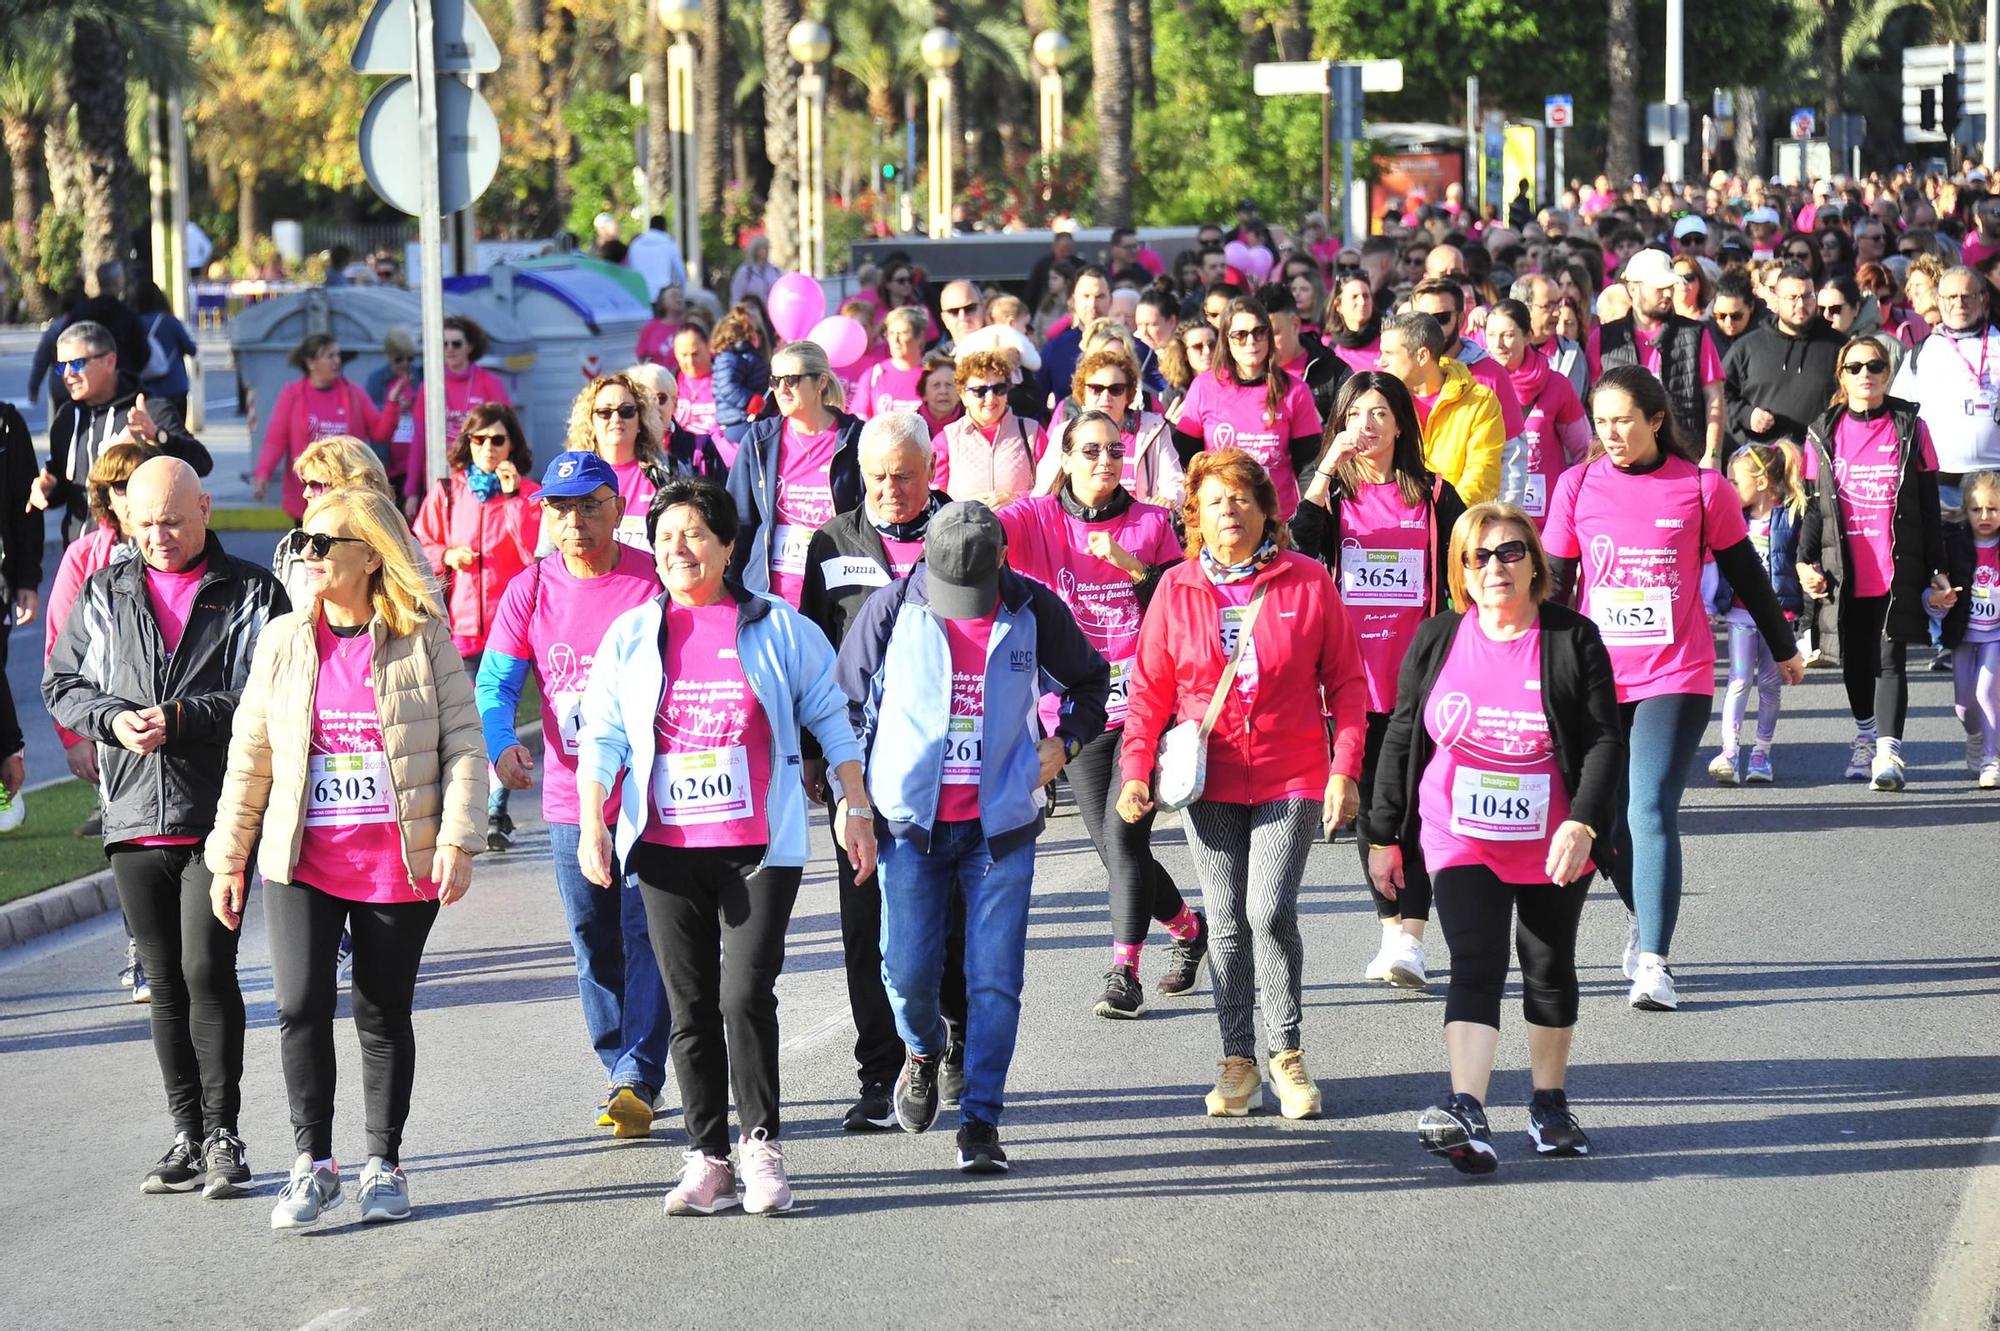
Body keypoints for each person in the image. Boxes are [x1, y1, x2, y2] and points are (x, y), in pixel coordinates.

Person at [574, 477, 868, 1215]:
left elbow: (832, 717)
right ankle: (707, 1157)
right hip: (669, 846)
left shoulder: (778, 626)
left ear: (729, 545)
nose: (680, 549)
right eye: (666, 536)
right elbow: (603, 735)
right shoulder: (634, 635)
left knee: (743, 992)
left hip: (759, 845)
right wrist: (593, 821)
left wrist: (854, 801)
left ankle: (760, 1145)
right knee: (690, 1002)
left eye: (696, 533)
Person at [206, 486, 484, 1229]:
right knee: (298, 1004)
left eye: (325, 542)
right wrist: (229, 855)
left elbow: (463, 745)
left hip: (397, 860)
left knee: (380, 1009)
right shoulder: (283, 640)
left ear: (370, 555)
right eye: (303, 541)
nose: (309, 554)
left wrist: (457, 837)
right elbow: (252, 755)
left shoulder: (422, 636)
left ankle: (383, 1162)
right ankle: (312, 1163)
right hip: (303, 857)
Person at [836, 501, 1110, 1174]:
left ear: (1002, 562)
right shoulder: (891, 609)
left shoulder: (1032, 608)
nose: (962, 606)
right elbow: (840, 703)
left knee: (995, 980)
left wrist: (1064, 741)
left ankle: (981, 1120)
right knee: (905, 972)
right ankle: (924, 1051)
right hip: (911, 826)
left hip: (1000, 830)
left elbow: (1090, 681)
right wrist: (854, 800)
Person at [45, 457, 288, 1200]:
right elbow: (62, 682)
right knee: (164, 985)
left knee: (206, 970)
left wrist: (183, 719)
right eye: (144, 523)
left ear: (205, 508)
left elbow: (270, 689)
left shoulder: (249, 590)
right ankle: (186, 1132)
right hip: (131, 817)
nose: (159, 536)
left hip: (218, 814)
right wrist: (111, 719)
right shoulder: (105, 589)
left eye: (173, 521)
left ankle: (225, 1133)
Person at [1367, 502, 1623, 1174]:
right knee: (1475, 960)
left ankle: (1548, 1101)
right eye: (1477, 556)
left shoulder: (1571, 638)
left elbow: (1602, 739)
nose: (1494, 566)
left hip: (1552, 836)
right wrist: (1383, 832)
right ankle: (1468, 1110)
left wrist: (1584, 821)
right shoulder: (1438, 637)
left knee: (1546, 963)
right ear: (1461, 571)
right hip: (1459, 833)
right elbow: (1401, 734)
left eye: (1509, 551)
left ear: (1535, 561)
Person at [1543, 366, 1804, 1012]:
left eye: (1624, 420)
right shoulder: (1576, 485)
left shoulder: (1699, 487)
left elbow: (1744, 569)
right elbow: (1551, 585)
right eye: (1601, 422)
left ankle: (1655, 962)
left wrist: (1783, 645)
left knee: (1649, 807)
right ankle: (1642, 910)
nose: (1612, 434)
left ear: (1656, 419)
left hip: (1673, 673)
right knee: (1600, 819)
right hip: (1595, 678)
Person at [1116, 450, 1365, 1119]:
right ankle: (1237, 1059)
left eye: (1241, 498)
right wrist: (1135, 771)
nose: (1229, 509)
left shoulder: (1308, 581)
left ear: (1265, 510)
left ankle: (1286, 1052)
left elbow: (1346, 683)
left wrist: (1345, 769)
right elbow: (1149, 693)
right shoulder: (1176, 588)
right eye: (1215, 500)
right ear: (1194, 515)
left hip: (1292, 772)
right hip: (1212, 777)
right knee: (1224, 922)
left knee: (1267, 910)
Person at [480, 451, 673, 1136]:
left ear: (618, 508)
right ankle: (619, 1062)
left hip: (653, 798)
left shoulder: (654, 581)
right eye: (561, 509)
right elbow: (496, 684)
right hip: (570, 801)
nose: (577, 521)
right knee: (593, 942)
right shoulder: (530, 590)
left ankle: (638, 1072)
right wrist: (501, 742)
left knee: (644, 934)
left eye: (591, 505)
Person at [999, 409, 1201, 1017]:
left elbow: (1183, 601)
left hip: (1146, 703)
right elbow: (982, 529)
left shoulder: (1151, 522)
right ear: (1063, 457)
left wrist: (1130, 565)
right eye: (1089, 451)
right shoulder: (1037, 517)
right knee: (1115, 850)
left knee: (1123, 832)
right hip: (1075, 711)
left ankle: (1124, 971)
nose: (1105, 461)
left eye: (1115, 450)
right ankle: (1188, 928)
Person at [798, 414, 970, 1127]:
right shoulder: (832, 541)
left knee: (948, 918)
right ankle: (878, 1074)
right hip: (863, 768)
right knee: (866, 920)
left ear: (931, 471)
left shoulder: (963, 534)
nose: (891, 489)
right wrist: (814, 751)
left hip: (952, 763)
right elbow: (815, 646)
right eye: (877, 477)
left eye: (904, 475)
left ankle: (950, 1043)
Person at [1292, 373, 1465, 989]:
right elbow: (1296, 544)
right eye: (1355, 414)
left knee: (1415, 810)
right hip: (1348, 680)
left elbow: (1471, 561)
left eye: (1380, 413)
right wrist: (1325, 469)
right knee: (1373, 818)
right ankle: (1395, 931)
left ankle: (1409, 938)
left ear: (1400, 425)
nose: (1367, 424)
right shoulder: (1334, 498)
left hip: (1419, 678)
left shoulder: (1436, 494)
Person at [1801, 338, 1949, 792]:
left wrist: (1937, 569)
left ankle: (1888, 753)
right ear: (1841, 377)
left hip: (1894, 566)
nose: (1866, 374)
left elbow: (1928, 505)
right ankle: (1865, 735)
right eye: (1855, 367)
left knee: (1889, 659)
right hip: (1844, 568)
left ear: (1888, 373)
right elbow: (1812, 507)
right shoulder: (1821, 431)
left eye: (1875, 365)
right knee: (1854, 660)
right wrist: (1805, 561)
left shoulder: (1912, 427)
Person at [412, 404, 540, 848]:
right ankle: (480, 805)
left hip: (512, 629)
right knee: (474, 720)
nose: (488, 448)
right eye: (479, 440)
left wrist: (514, 500)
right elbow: (419, 545)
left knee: (498, 717)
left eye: (497, 440)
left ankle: (494, 809)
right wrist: (446, 555)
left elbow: (534, 555)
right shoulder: (449, 491)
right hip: (462, 625)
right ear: (467, 444)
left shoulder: (528, 493)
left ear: (512, 445)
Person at [46, 441, 152, 854]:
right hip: (107, 723)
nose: (126, 495)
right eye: (118, 486)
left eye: (134, 483)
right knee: (131, 853)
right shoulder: (83, 556)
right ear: (104, 495)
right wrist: (74, 735)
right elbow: (59, 649)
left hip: (174, 723)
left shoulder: (179, 548)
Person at [39, 320, 212, 543]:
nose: (68, 374)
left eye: (78, 363)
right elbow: (65, 488)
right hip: (80, 558)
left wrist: (158, 437)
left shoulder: (149, 410)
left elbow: (202, 463)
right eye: (62, 366)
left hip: (132, 559)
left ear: (110, 361)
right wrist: (48, 490)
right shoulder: (66, 418)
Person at [724, 340, 866, 607]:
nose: (781, 389)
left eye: (791, 379)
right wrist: (730, 592)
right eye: (775, 380)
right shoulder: (758, 440)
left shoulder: (856, 438)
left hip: (837, 595)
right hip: (770, 595)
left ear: (821, 381)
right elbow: (737, 522)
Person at [1708, 442, 1809, 785]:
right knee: (1738, 679)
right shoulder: (1732, 519)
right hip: (1739, 615)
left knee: (1769, 685)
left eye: (1736, 482)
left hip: (1778, 617)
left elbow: (1801, 559)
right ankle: (1729, 752)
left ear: (1763, 482)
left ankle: (1761, 754)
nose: (1730, 489)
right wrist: (1710, 602)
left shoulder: (1790, 516)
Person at [1170, 297, 1323, 520]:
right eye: (1240, 335)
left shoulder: (1295, 390)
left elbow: (1309, 467)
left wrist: (1308, 520)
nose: (1251, 341)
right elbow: (1184, 460)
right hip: (1220, 521)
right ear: (1226, 340)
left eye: (1259, 332)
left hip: (1275, 520)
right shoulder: (1204, 387)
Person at [1585, 248, 1727, 465]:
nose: (1668, 294)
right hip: (1624, 462)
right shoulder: (1604, 338)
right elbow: (1593, 404)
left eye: (1670, 286)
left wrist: (1713, 454)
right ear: (1633, 289)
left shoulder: (1696, 333)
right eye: (1660, 288)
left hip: (1685, 457)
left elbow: (1714, 397)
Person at [256, 333, 403, 521]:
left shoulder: (354, 394)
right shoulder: (293, 395)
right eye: (330, 356)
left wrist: (392, 403)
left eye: (338, 355)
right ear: (311, 363)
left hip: (347, 497)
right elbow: (275, 440)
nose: (337, 361)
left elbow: (380, 432)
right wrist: (263, 474)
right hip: (308, 496)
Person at [1889, 267, 2000, 515]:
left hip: (1996, 472)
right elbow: (1898, 413)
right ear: (1939, 301)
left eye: (1966, 296)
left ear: (1983, 299)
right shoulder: (1922, 352)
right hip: (1942, 478)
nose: (1958, 303)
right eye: (1950, 297)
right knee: (1950, 551)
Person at [1031, 344, 1186, 506]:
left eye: (1116, 389)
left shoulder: (1153, 428)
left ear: (1128, 395)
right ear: (1082, 393)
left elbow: (1174, 483)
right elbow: (1043, 492)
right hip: (1078, 525)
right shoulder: (1065, 432)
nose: (1106, 397)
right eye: (1096, 389)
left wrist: (1168, 501)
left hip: (1139, 524)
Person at [1377, 311, 1506, 505]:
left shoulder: (1480, 401)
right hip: (1395, 521)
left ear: (1422, 356)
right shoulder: (1380, 401)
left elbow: (1482, 476)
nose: (1381, 362)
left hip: (1456, 523)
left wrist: (1441, 517)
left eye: (1389, 354)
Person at [1484, 298, 1590, 528]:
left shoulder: (1556, 385)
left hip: (1549, 520)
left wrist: (1571, 501)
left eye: (1508, 335)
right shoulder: (1478, 387)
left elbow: (1585, 451)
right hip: (1491, 516)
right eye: (1491, 335)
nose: (1498, 344)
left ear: (1528, 337)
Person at [271, 436, 404, 610]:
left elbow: (429, 622)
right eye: (305, 484)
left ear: (351, 485)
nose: (306, 494)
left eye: (316, 485)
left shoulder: (400, 546)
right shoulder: (291, 546)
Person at [1724, 264, 1843, 449]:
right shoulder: (1747, 347)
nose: (1801, 304)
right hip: (1761, 460)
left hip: (1817, 459)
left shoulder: (1838, 346)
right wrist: (1747, 415)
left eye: (1807, 296)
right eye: (1792, 298)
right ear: (1777, 301)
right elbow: (1719, 394)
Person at [564, 371, 685, 553]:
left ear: (640, 419)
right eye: (604, 412)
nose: (616, 419)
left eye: (626, 411)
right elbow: (548, 551)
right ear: (591, 422)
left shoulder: (667, 472)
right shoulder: (569, 476)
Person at [403, 315, 511, 504]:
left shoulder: (490, 383)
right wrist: (411, 491)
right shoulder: (429, 386)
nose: (449, 349)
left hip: (482, 476)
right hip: (441, 476)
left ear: (470, 346)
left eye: (456, 343)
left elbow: (508, 434)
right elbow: (419, 439)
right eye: (444, 344)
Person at [1938, 470, 2000, 786]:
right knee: (1964, 705)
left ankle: (1992, 758)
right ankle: (1975, 737)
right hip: (1964, 632)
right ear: (1966, 510)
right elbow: (1936, 585)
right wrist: (1938, 598)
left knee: (1987, 692)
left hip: (1996, 636)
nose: (1985, 516)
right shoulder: (1956, 542)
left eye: (1993, 509)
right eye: (1977, 510)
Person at [933, 348, 1038, 507]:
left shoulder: (1032, 432)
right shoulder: (946, 440)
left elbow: (1050, 491)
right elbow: (934, 501)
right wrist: (967, 507)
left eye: (999, 389)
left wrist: (1016, 500)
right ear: (963, 395)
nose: (990, 398)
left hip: (1020, 529)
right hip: (966, 529)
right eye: (979, 391)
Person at [1510, 273, 1588, 397]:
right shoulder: (1500, 350)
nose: (1557, 312)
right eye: (1549, 306)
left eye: (1558, 304)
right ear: (1524, 307)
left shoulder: (1572, 354)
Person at [1042, 267, 1112, 404]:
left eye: (1100, 296)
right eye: (1086, 296)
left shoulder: (1132, 348)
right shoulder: (1055, 349)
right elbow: (1036, 403)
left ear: (1111, 299)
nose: (1093, 304)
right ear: (1074, 300)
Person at [132, 280, 199, 420]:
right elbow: (191, 349)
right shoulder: (169, 321)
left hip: (146, 392)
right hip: (175, 387)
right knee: (178, 435)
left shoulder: (133, 324)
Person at [709, 308, 771, 451]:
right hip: (738, 421)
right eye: (756, 332)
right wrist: (749, 401)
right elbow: (727, 386)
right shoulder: (731, 358)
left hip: (750, 419)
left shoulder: (744, 356)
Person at [855, 307, 928, 420]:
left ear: (920, 336)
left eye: (903, 333)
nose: (895, 339)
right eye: (891, 333)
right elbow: (860, 420)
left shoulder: (931, 376)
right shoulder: (874, 375)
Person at [1158, 319, 1217, 419]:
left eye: (1212, 345)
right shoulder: (1174, 394)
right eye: (1197, 347)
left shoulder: (1232, 385)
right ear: (1183, 353)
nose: (1207, 351)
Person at [625, 214, 689, 299]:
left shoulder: (635, 244)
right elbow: (680, 273)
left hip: (640, 294)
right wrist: (681, 294)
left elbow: (628, 268)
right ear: (665, 228)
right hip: (662, 295)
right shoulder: (669, 244)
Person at [636, 286, 685, 371]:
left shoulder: (688, 326)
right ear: (663, 302)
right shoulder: (650, 328)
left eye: (680, 296)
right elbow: (641, 357)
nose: (678, 299)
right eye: (674, 296)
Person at [728, 236, 781, 307]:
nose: (767, 251)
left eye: (768, 248)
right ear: (756, 250)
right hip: (752, 314)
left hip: (772, 312)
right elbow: (736, 297)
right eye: (764, 248)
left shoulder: (775, 270)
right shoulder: (746, 272)